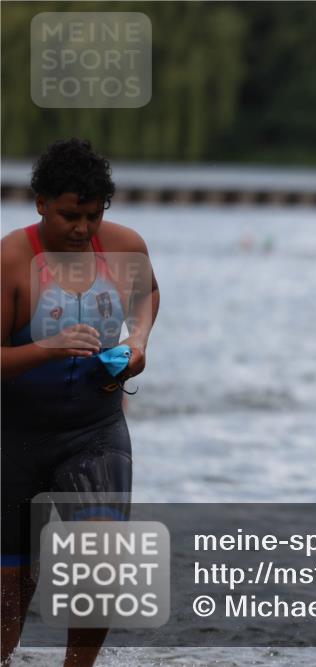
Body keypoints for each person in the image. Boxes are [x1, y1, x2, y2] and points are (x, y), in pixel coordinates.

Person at [1, 138, 160, 667]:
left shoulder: (126, 248)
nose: (82, 229)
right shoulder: (11, 259)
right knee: (10, 588)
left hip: (93, 431)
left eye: (94, 215)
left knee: (102, 561)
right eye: (70, 215)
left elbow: (148, 296)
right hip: (12, 436)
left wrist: (138, 342)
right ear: (41, 201)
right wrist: (45, 348)